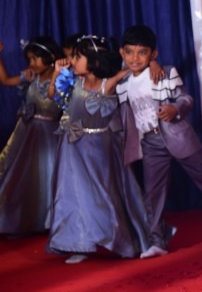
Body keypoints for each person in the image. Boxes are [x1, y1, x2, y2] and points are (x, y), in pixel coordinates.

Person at [116, 25, 202, 258]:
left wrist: (175, 108)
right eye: (129, 52)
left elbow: (186, 98)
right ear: (122, 53)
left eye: (142, 52)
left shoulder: (165, 72)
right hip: (149, 142)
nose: (135, 58)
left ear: (153, 54)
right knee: (153, 193)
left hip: (177, 135)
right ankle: (157, 241)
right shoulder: (122, 82)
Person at [47, 35, 151, 264]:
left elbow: (137, 68)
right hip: (71, 148)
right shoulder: (74, 81)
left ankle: (120, 240)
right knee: (74, 195)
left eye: (77, 57)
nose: (72, 60)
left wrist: (154, 64)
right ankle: (80, 243)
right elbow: (52, 95)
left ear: (94, 60)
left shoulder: (109, 82)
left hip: (99, 147)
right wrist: (56, 73)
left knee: (105, 194)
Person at [0, 37, 63, 234]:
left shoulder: (63, 80)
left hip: (49, 135)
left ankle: (50, 220)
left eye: (36, 59)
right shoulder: (31, 77)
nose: (31, 63)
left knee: (49, 173)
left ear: (50, 58)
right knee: (24, 177)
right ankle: (22, 218)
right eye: (29, 59)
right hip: (28, 133)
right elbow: (5, 80)